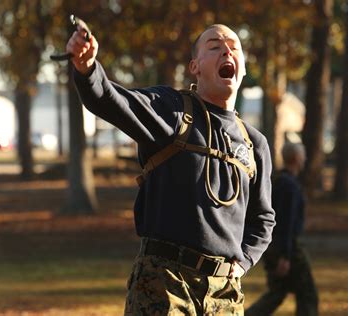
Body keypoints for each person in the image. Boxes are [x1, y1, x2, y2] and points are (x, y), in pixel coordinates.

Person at [66, 23, 275, 315]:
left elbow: (263, 219)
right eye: (214, 46)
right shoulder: (173, 111)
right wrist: (88, 68)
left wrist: (242, 263)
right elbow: (112, 101)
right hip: (165, 283)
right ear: (195, 66)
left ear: (241, 69)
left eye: (234, 47)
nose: (226, 50)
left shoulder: (255, 143)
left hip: (225, 293)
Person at [246, 142, 318, 316]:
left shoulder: (276, 180)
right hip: (288, 249)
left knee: (276, 293)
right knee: (308, 295)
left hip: (273, 247)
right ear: (297, 158)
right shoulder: (289, 186)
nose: (305, 159)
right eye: (303, 156)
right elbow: (286, 223)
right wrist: (285, 256)